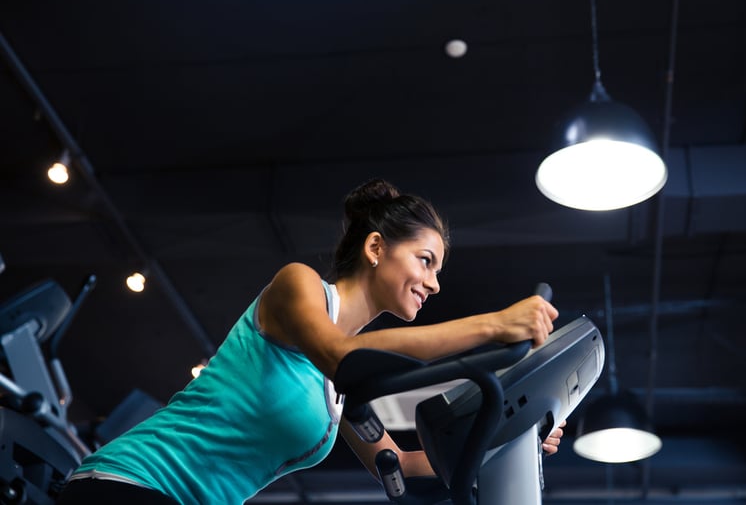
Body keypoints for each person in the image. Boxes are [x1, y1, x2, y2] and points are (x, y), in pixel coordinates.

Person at [57, 178, 562, 505]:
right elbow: (342, 355)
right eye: (425, 261)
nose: (434, 283)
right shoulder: (298, 287)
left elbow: (401, 467)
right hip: (129, 485)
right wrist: (494, 324)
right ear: (375, 247)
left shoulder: (337, 395)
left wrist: (511, 440)